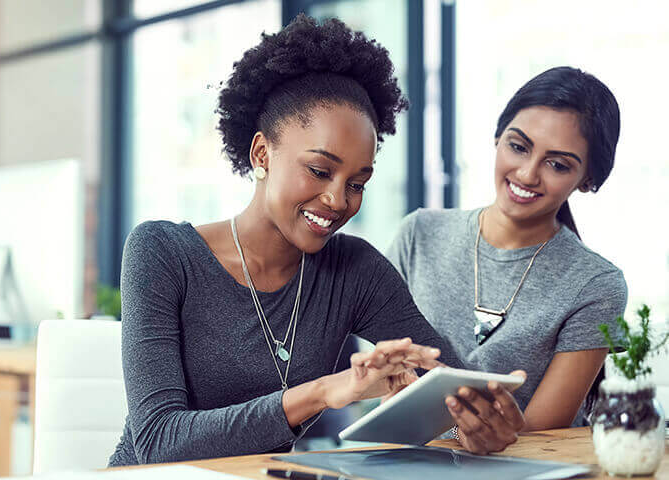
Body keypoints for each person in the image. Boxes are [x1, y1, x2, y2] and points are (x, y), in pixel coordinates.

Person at [108, 15, 525, 467]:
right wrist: (325, 392)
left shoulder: (355, 270)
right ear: (262, 154)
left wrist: (475, 419)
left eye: (357, 183)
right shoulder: (162, 253)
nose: (337, 199)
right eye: (320, 171)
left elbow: (444, 377)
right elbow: (157, 440)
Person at [385, 66, 626, 453]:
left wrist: (447, 434)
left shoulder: (596, 285)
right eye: (518, 146)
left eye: (558, 164)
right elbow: (386, 385)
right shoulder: (419, 234)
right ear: (498, 138)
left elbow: (543, 434)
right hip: (404, 464)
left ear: (587, 179)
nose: (528, 174)